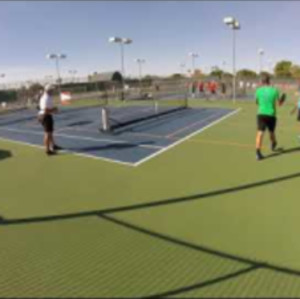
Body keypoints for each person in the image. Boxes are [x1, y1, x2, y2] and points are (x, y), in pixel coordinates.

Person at [255, 75, 285, 160]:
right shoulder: (274, 90)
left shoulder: (258, 90)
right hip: (271, 115)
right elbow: (279, 104)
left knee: (260, 133)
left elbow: (257, 102)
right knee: (271, 132)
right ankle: (273, 143)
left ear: (262, 82)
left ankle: (258, 153)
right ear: (269, 81)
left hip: (261, 114)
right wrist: (282, 99)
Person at [38, 84, 62, 155]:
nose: (53, 91)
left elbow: (48, 108)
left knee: (50, 133)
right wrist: (54, 110)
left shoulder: (48, 97)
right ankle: (47, 150)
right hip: (45, 116)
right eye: (51, 90)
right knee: (47, 134)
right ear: (48, 90)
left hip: (47, 115)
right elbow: (45, 110)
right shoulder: (46, 98)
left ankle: (53, 146)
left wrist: (53, 110)